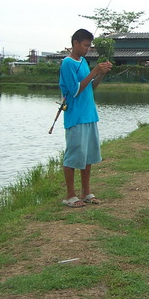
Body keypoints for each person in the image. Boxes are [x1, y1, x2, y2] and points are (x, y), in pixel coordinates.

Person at [59, 29, 113, 207]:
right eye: (85, 45)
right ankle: (70, 195)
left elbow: (91, 86)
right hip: (76, 117)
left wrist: (101, 73)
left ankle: (85, 192)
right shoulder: (67, 63)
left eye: (90, 46)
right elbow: (74, 91)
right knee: (73, 156)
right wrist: (94, 70)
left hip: (90, 115)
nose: (88, 49)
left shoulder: (82, 62)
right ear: (75, 43)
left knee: (88, 156)